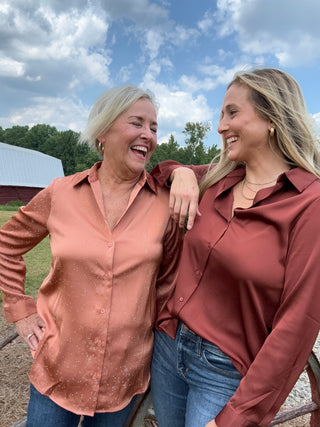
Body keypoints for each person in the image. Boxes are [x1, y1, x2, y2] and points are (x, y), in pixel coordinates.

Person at [0, 85, 183, 427]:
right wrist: (21, 311)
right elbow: (5, 244)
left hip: (123, 378)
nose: (148, 135)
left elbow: (166, 284)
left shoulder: (164, 205)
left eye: (154, 127)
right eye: (137, 123)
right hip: (57, 368)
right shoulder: (61, 193)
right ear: (103, 131)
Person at [150, 68, 320, 427]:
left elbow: (297, 324)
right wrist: (181, 171)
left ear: (271, 118)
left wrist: (238, 417)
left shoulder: (310, 203)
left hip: (224, 370)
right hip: (169, 345)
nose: (220, 126)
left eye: (232, 112)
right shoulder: (219, 179)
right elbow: (158, 171)